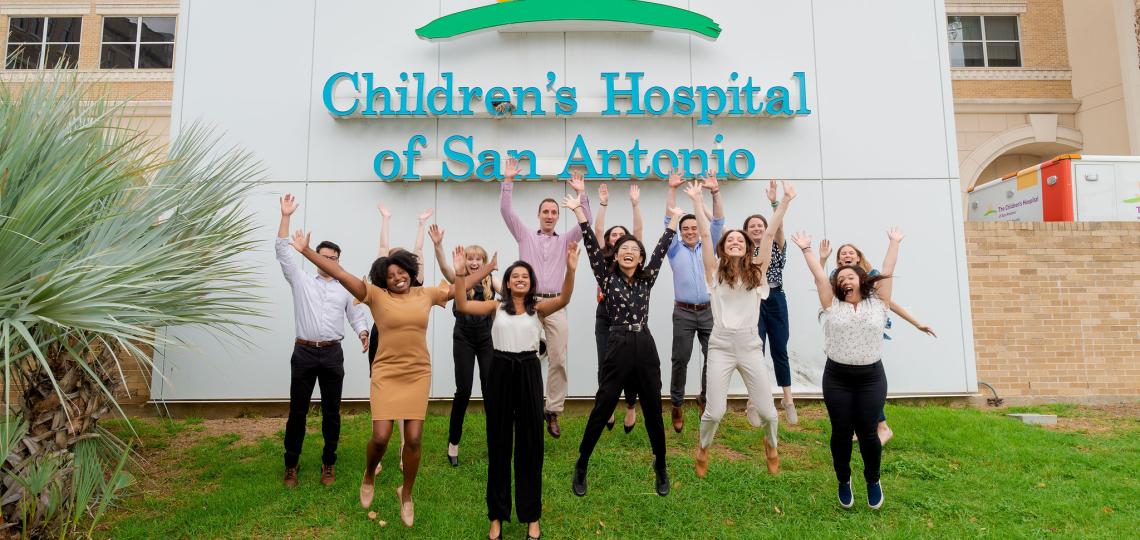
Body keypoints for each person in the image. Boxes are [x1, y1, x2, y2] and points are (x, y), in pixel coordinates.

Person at [289, 227, 475, 527]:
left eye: (402, 272)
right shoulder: (374, 295)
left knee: (413, 439)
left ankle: (407, 493)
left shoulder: (425, 293)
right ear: (383, 280)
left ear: (410, 272)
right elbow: (340, 273)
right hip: (386, 371)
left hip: (417, 372)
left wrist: (471, 271)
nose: (398, 278)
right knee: (380, 437)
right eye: (391, 275)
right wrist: (307, 252)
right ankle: (368, 474)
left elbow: (459, 290)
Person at [452, 244, 578, 540]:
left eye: (525, 276)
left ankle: (532, 517)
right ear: (507, 282)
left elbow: (566, 297)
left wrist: (570, 269)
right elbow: (462, 305)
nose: (520, 279)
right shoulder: (496, 308)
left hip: (528, 371)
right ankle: (496, 516)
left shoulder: (539, 309)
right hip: (500, 370)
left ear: (531, 283)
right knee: (498, 443)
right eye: (515, 276)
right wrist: (459, 275)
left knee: (531, 445)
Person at [566, 193, 684, 498]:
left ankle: (661, 466)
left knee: (654, 410)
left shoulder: (647, 278)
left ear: (640, 258)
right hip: (617, 342)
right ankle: (582, 463)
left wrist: (673, 222)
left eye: (634, 249)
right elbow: (592, 245)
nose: (629, 252)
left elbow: (660, 249)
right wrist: (579, 211)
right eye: (623, 249)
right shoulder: (606, 277)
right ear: (615, 256)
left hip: (644, 344)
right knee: (603, 404)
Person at [685, 179, 795, 478]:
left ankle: (771, 447)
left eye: (740, 239)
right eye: (730, 238)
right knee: (715, 411)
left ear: (748, 247)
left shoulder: (757, 272)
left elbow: (770, 232)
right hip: (720, 345)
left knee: (769, 413)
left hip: (749, 345)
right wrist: (697, 200)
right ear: (724, 246)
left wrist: (784, 201)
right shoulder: (714, 272)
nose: (735, 240)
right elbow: (706, 235)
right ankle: (704, 448)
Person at [791, 228, 905, 510]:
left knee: (868, 433)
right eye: (841, 278)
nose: (845, 280)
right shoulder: (831, 305)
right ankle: (844, 480)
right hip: (838, 378)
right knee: (840, 433)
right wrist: (807, 250)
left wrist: (893, 242)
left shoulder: (879, 304)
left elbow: (888, 271)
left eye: (850, 277)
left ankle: (873, 480)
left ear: (861, 280)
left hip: (871, 378)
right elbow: (820, 276)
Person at [275, 194, 369, 489]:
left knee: (332, 412)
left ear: (338, 261)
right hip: (304, 352)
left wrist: (363, 332)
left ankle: (329, 463)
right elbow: (282, 251)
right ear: (315, 258)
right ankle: (292, 464)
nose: (328, 262)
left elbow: (356, 315)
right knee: (297, 411)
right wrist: (286, 216)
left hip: (332, 355)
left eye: (333, 259)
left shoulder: (344, 287)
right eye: (323, 257)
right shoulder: (301, 281)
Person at [500, 157, 592, 438]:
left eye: (554, 212)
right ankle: (520, 407)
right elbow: (506, 211)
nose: (550, 215)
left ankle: (552, 410)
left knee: (558, 358)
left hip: (555, 304)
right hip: (525, 304)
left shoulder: (567, 239)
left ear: (558, 215)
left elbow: (585, 224)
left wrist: (581, 194)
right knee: (521, 357)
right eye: (546, 212)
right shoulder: (524, 235)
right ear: (539, 215)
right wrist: (508, 181)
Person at [818, 240, 937, 445]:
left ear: (858, 257)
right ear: (838, 260)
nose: (847, 255)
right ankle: (860, 427)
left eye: (851, 253)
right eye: (843, 254)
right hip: (847, 335)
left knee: (866, 381)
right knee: (852, 384)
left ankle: (882, 427)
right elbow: (820, 286)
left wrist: (916, 323)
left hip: (868, 331)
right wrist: (821, 259)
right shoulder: (836, 278)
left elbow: (888, 302)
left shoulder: (869, 277)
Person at [429, 224, 501, 467]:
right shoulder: (459, 279)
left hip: (486, 339)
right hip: (463, 337)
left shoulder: (492, 280)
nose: (473, 261)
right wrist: (438, 245)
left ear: (483, 261)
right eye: (469, 258)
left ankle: (496, 444)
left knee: (491, 391)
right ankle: (453, 444)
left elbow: (512, 294)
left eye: (478, 258)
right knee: (464, 390)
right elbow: (444, 267)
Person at [367, 204, 431, 472]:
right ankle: (378, 455)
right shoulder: (382, 286)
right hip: (382, 340)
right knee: (385, 398)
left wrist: (421, 225)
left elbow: (420, 255)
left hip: (410, 349)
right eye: (391, 266)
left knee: (409, 407)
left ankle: (406, 452)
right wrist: (385, 219)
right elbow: (382, 249)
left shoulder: (416, 285)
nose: (396, 273)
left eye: (401, 266)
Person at [663, 169, 725, 432]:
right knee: (680, 359)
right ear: (680, 232)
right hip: (684, 312)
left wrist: (715, 192)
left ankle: (705, 398)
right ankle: (676, 404)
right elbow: (668, 218)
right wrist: (672, 189)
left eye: (693, 228)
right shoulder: (674, 248)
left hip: (710, 310)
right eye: (684, 228)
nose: (690, 231)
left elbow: (719, 221)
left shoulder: (709, 245)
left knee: (713, 358)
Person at [742, 180, 797, 425]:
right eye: (752, 226)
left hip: (775, 299)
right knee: (756, 351)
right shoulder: (741, 250)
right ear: (746, 231)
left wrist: (775, 202)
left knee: (779, 350)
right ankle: (752, 402)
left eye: (760, 225)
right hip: (753, 301)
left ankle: (788, 400)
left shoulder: (775, 244)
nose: (756, 228)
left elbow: (779, 226)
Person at [593, 182, 644, 433]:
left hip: (632, 316)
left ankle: (632, 406)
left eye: (621, 235)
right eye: (613, 235)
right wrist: (603, 203)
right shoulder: (603, 259)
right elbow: (598, 228)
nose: (617, 237)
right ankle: (609, 404)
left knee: (633, 363)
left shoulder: (632, 255)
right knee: (605, 361)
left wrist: (635, 205)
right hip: (606, 315)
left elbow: (637, 231)